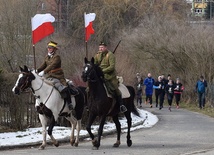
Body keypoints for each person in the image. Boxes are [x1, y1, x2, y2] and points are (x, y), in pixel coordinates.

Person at [37, 41, 76, 110]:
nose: (49, 49)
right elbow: (43, 65)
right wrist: (37, 70)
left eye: (51, 48)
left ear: (54, 49)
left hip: (58, 76)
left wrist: (44, 71)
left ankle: (69, 103)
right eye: (48, 48)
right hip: (49, 76)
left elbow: (52, 66)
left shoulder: (57, 57)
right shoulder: (47, 57)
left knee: (64, 88)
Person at [94, 42, 127, 113]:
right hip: (99, 75)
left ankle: (121, 105)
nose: (100, 49)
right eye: (99, 47)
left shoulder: (110, 55)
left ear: (106, 47)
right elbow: (94, 64)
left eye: (102, 47)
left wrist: (103, 71)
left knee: (115, 88)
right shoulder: (97, 55)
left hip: (109, 76)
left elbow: (112, 67)